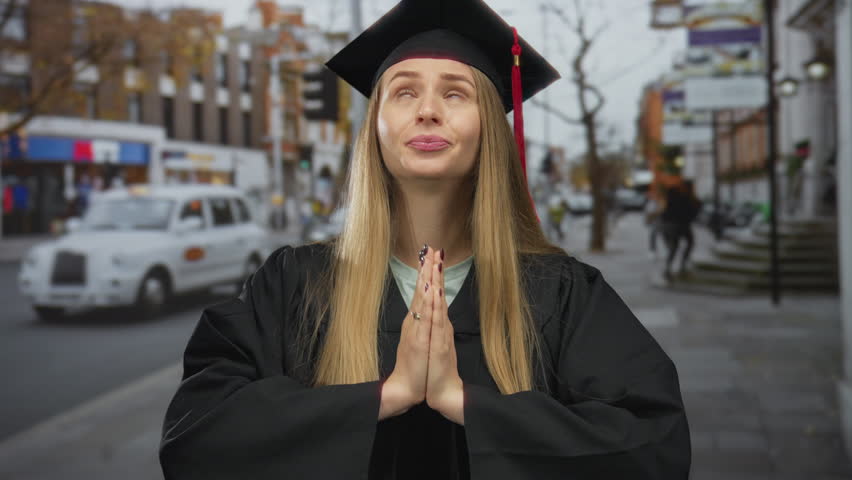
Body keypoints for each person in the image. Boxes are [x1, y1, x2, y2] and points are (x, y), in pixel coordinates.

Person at [159, 1, 691, 478]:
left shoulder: (562, 292)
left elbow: (653, 445)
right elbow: (197, 435)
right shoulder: (295, 282)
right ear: (376, 127)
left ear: (490, 125)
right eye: (404, 90)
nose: (428, 109)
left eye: (455, 93)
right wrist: (388, 395)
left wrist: (463, 403)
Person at [660, 179, 702, 281]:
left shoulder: (686, 197)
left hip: (678, 225)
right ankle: (672, 268)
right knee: (676, 246)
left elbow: (691, 212)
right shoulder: (678, 195)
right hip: (674, 225)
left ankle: (676, 267)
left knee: (681, 245)